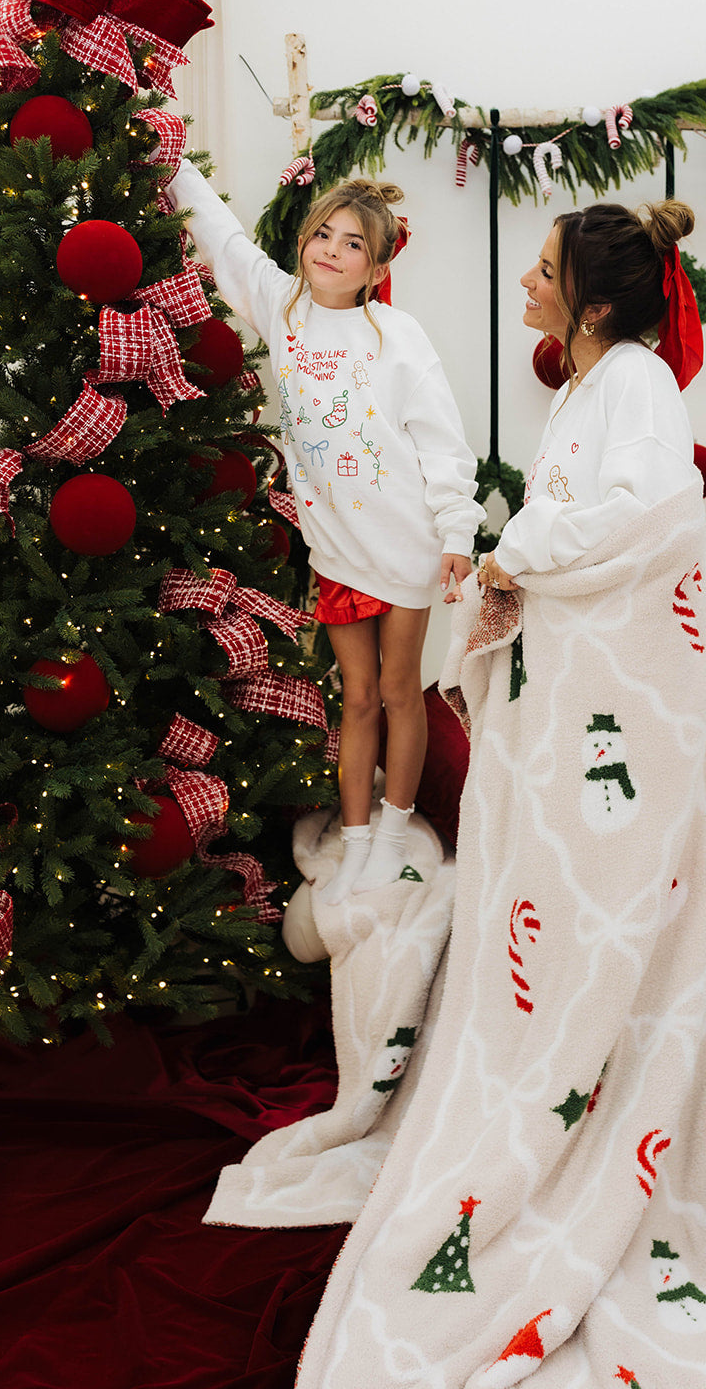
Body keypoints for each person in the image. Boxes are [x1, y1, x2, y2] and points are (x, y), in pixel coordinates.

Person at [165, 160, 484, 902]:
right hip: (337, 547)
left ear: (374, 270)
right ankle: (358, 836)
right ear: (306, 241)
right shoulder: (282, 310)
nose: (331, 252)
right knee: (358, 695)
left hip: (404, 543)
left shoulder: (397, 336)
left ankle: (397, 829)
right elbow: (224, 239)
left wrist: (455, 534)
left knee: (401, 691)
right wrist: (173, 163)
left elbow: (440, 440)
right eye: (323, 236)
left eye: (351, 246)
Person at [477, 196, 703, 593]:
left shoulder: (637, 375)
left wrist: (519, 549)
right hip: (570, 638)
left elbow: (642, 519)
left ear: (595, 309)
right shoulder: (573, 388)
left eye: (546, 272)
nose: (526, 279)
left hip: (617, 642)